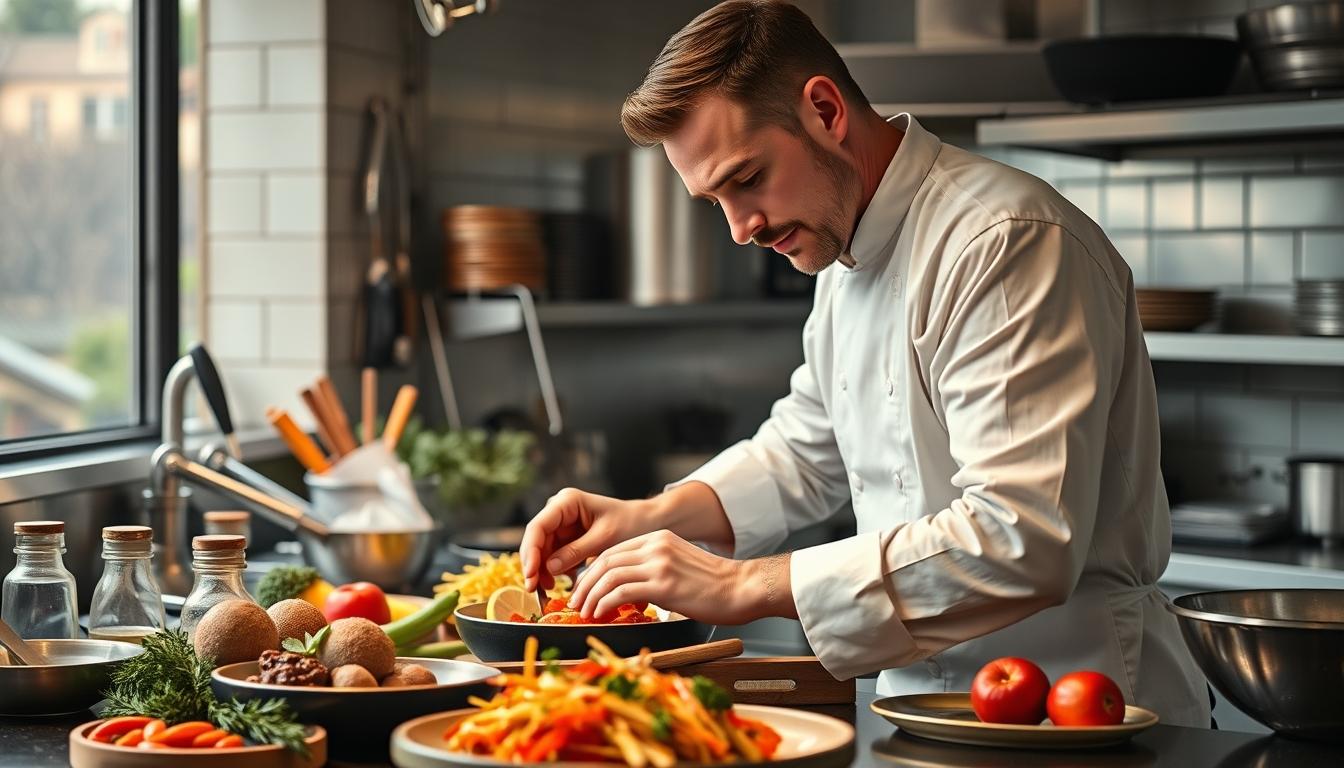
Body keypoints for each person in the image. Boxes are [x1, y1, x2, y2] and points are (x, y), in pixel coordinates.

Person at [520, 0, 1210, 727]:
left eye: (748, 177)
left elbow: (1024, 537)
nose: (740, 228)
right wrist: (647, 517)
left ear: (824, 109)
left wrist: (743, 585)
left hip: (1079, 714)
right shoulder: (845, 256)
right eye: (713, 199)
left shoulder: (1006, 243)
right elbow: (803, 452)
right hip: (919, 716)